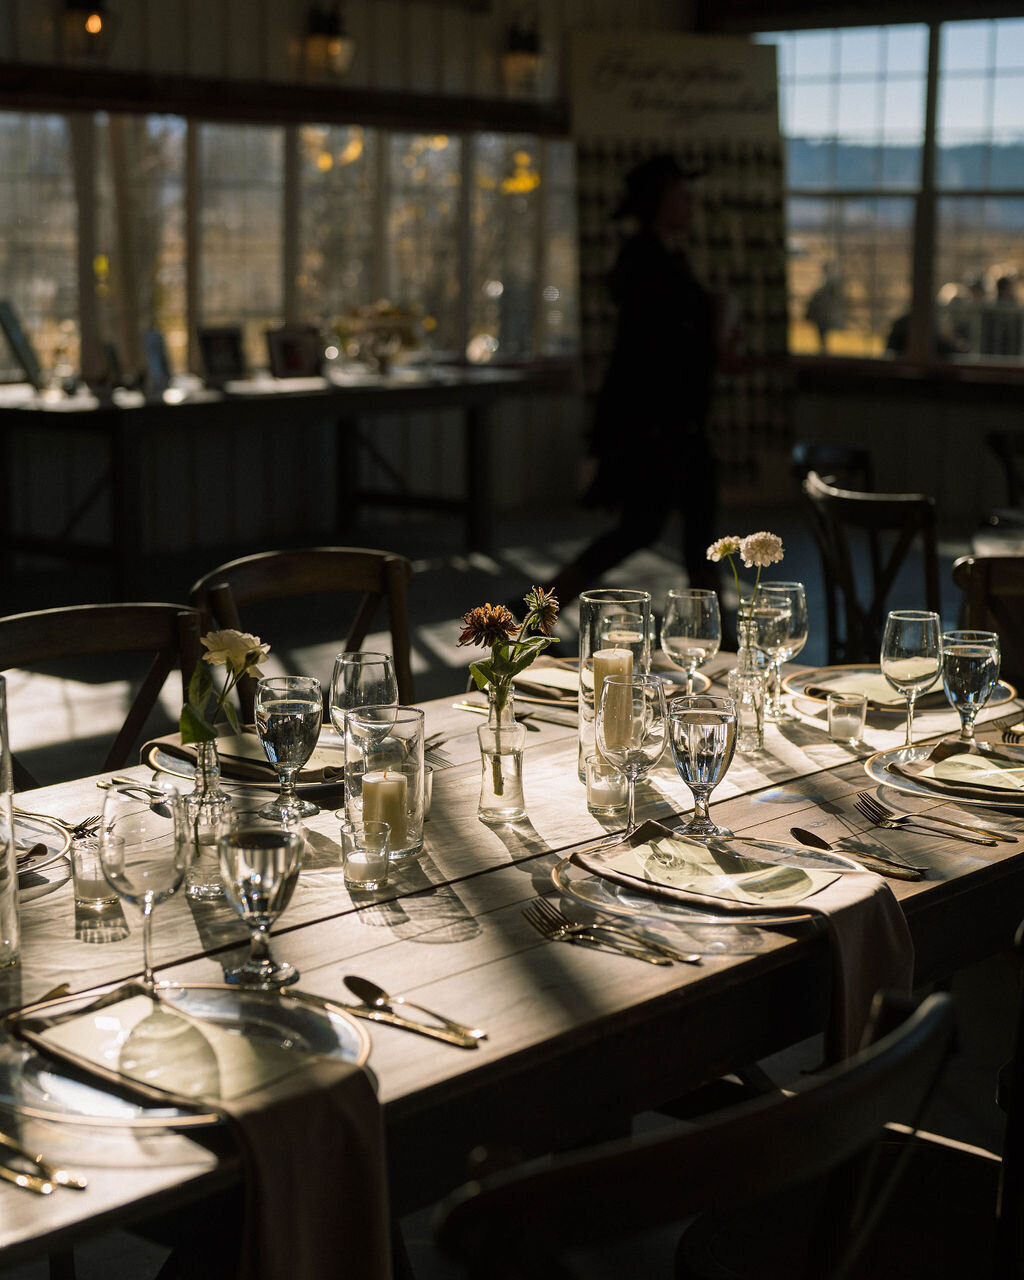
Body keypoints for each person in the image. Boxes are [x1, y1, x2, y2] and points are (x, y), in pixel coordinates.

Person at [546, 153, 721, 609]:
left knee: (699, 525)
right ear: (658, 203)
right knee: (642, 527)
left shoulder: (669, 258)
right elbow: (653, 350)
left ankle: (711, 626)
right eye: (680, 195)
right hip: (656, 423)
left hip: (681, 419)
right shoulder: (644, 261)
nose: (689, 204)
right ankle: (537, 609)